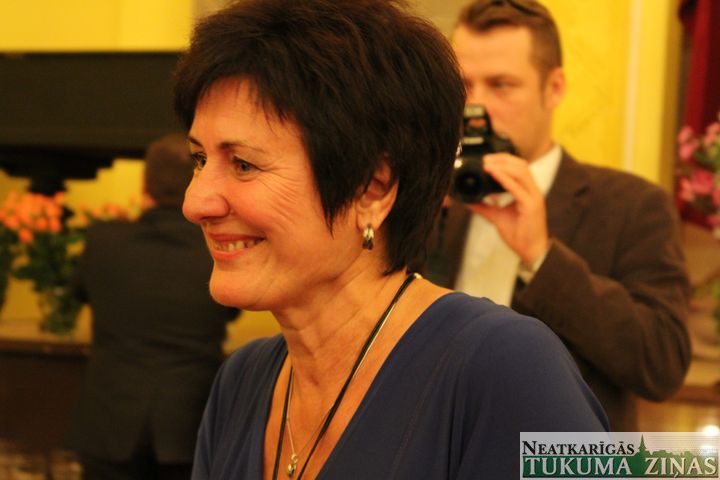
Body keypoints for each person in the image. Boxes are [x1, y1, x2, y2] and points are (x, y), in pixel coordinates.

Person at [174, 1, 608, 478]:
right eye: (200, 160)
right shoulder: (241, 381)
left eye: (243, 164)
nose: (196, 202)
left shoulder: (506, 367)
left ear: (372, 190)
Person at [427, 0, 691, 431]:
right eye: (465, 86)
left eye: (501, 85)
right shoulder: (436, 200)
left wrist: (542, 257)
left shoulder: (632, 205)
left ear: (554, 88)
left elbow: (663, 362)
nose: (477, 108)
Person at [68, 133, 239, 480]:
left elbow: (78, 292)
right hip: (187, 425)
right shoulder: (217, 252)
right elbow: (230, 309)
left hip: (109, 422)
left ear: (145, 184)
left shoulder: (103, 242)